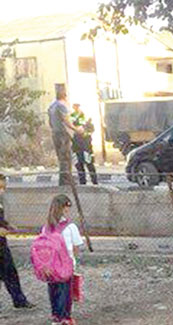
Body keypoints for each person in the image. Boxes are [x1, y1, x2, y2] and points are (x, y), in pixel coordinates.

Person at [44, 194, 84, 324]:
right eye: (67, 209)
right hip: (65, 265)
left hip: (49, 265)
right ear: (64, 209)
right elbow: (76, 246)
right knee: (65, 292)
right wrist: (73, 260)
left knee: (53, 290)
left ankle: (55, 315)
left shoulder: (46, 227)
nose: (69, 212)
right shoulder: (71, 227)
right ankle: (64, 318)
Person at [0, 174, 36, 310]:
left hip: (2, 245)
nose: (2, 190)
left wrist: (8, 225)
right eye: (0, 187)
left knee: (11, 273)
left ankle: (19, 300)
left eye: (4, 187)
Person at [48, 90, 83, 186]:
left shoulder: (52, 106)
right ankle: (66, 180)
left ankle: (63, 180)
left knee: (61, 158)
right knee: (66, 158)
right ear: (65, 97)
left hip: (55, 133)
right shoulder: (62, 106)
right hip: (63, 134)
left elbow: (50, 122)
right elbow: (66, 120)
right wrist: (76, 129)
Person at [70, 104, 98, 185]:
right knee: (79, 165)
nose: (76, 108)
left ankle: (94, 181)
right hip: (76, 147)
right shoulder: (72, 118)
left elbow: (91, 130)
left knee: (89, 164)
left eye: (77, 106)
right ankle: (82, 182)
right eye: (75, 107)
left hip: (86, 146)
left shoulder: (87, 120)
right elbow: (70, 129)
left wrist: (85, 132)